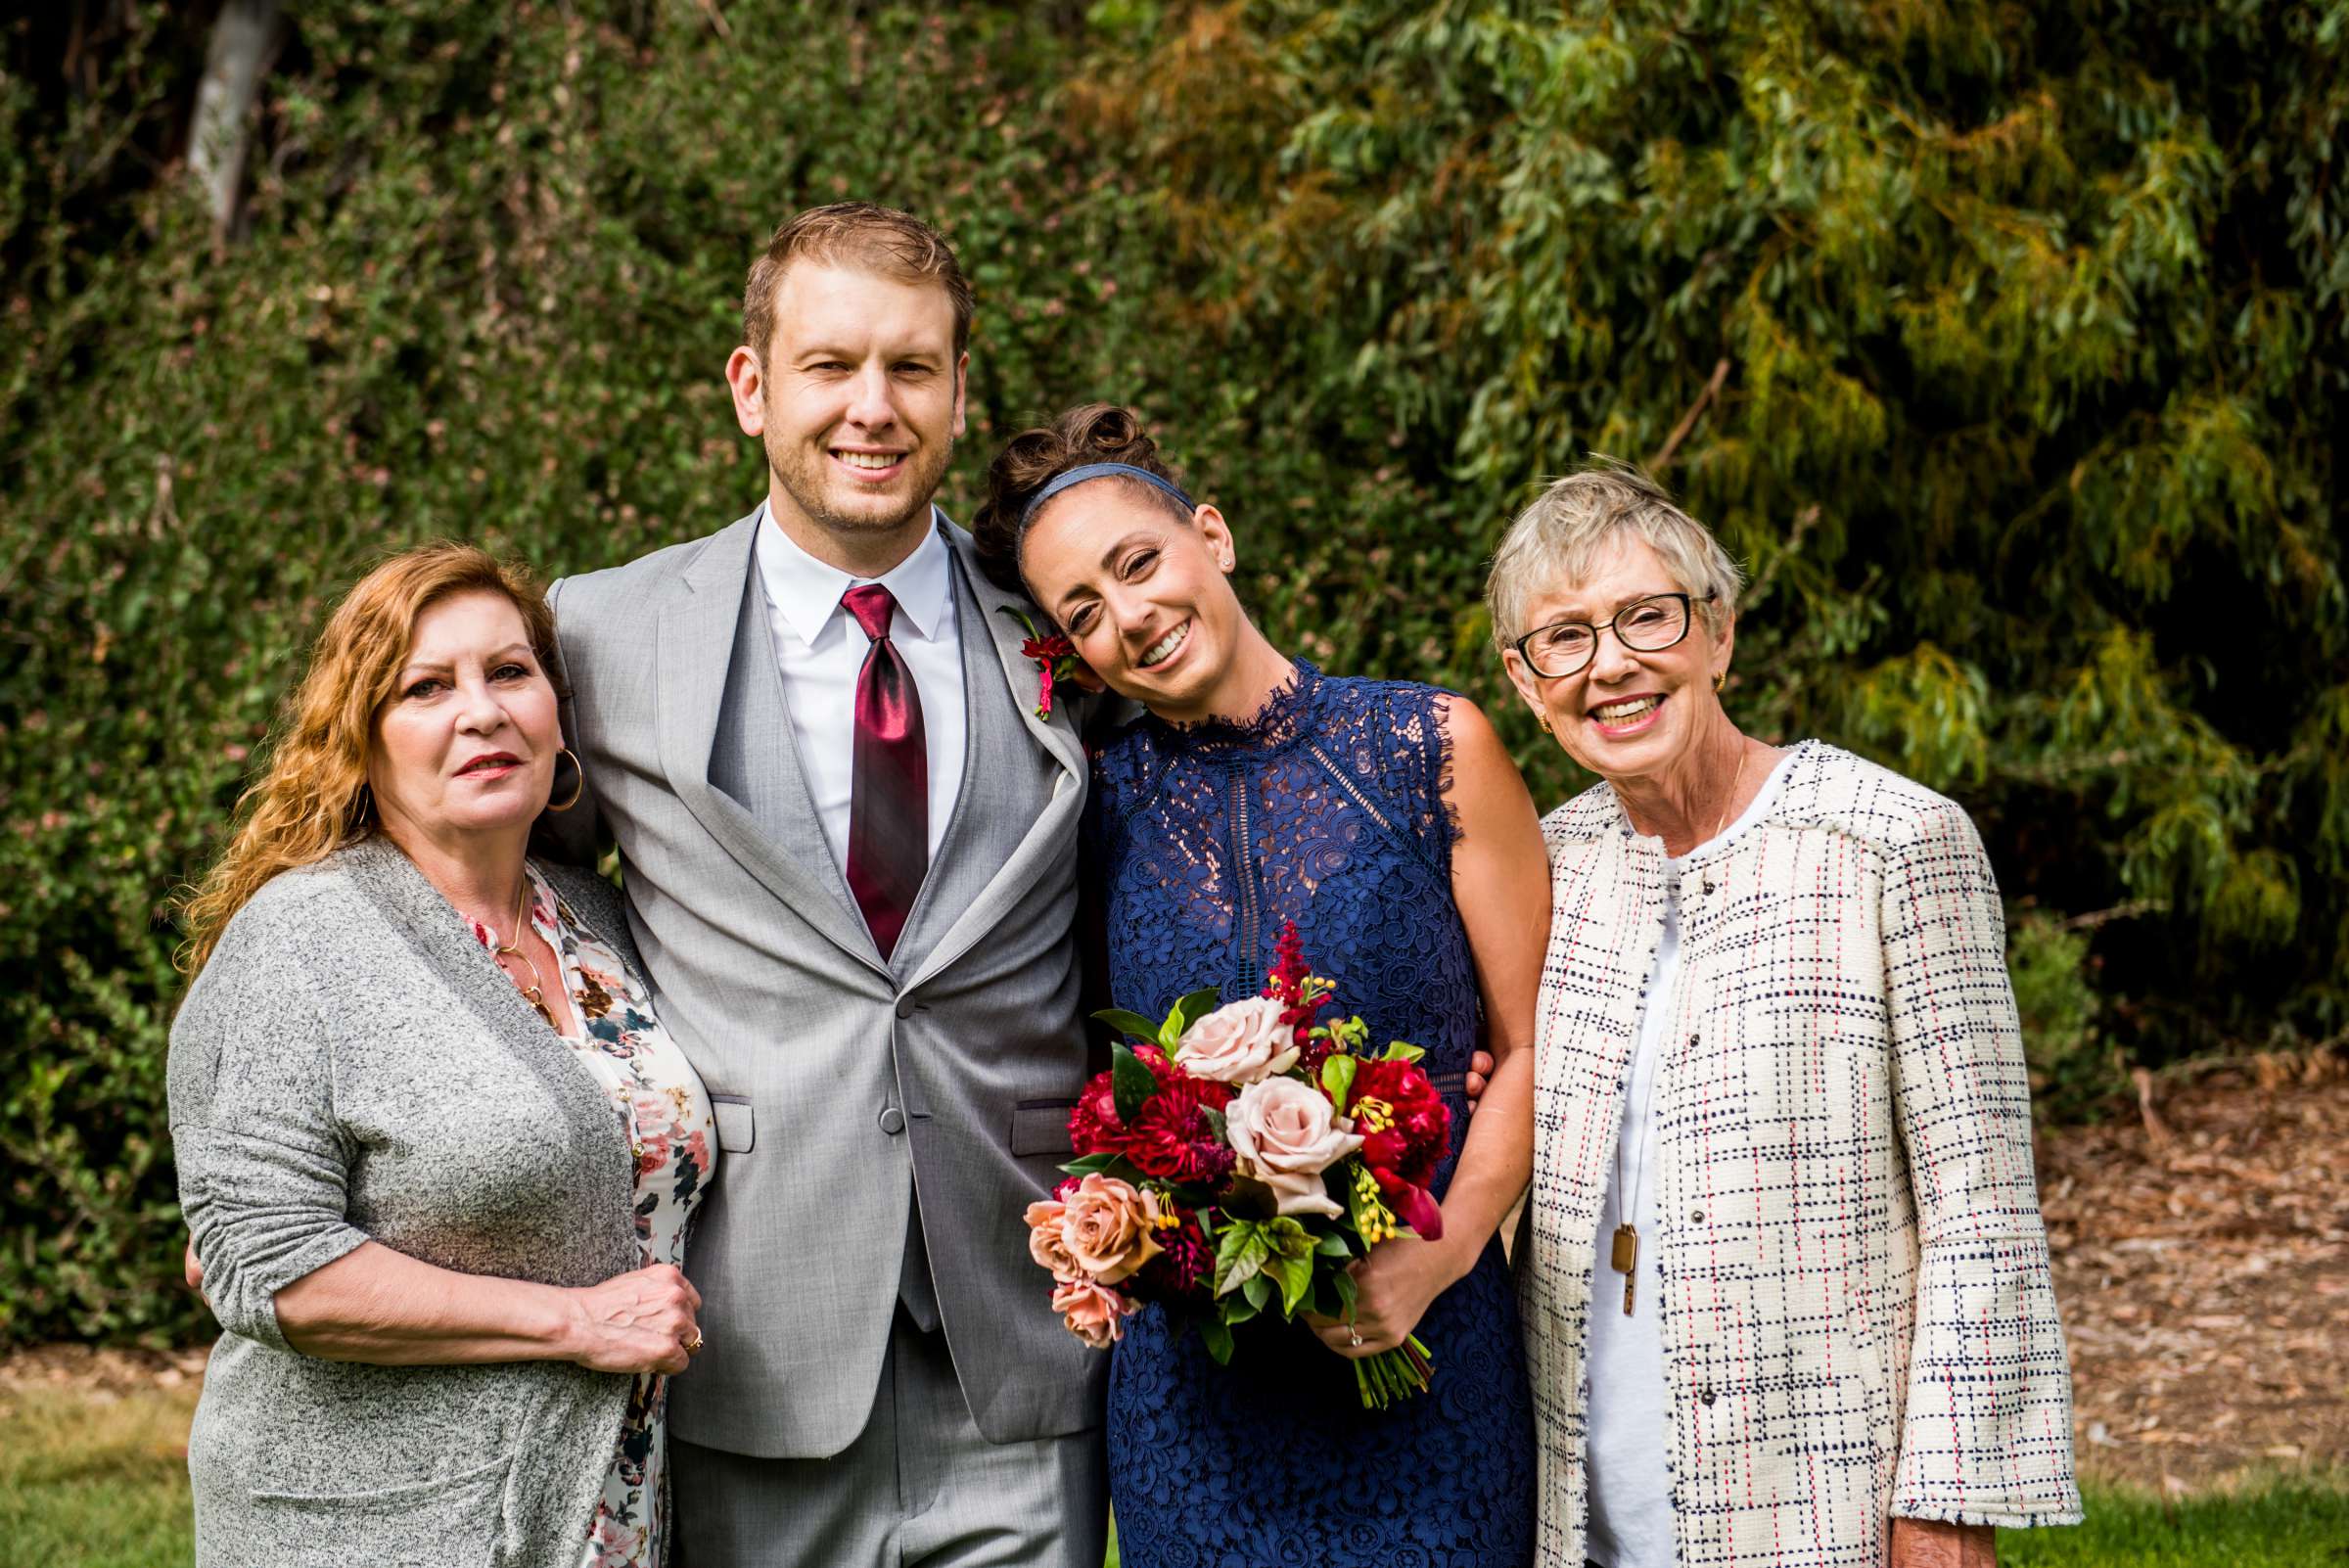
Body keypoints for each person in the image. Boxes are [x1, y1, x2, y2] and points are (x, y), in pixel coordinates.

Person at [535, 204, 1111, 1567]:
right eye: (831, 364)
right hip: (751, 1332)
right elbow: (513, 918)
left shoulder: (1068, 626)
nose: (873, 406)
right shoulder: (603, 633)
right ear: (753, 386)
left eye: (912, 367)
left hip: (1023, 1325)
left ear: (961, 392)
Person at [970, 402, 1544, 1567]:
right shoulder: (1089, 811)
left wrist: (1435, 1257)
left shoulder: (1431, 744)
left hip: (1430, 1349)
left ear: (1212, 537)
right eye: (1083, 612)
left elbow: (1536, 1047)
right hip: (1200, 1402)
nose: (1129, 616)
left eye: (1140, 564)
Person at [1487, 464, 2082, 1568]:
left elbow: (1982, 1209)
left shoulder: (1894, 840)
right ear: (1527, 684)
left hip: (1821, 1493)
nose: (1609, 664)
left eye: (1644, 618)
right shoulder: (1547, 867)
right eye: (1564, 639)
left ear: (1717, 634)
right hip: (1578, 1501)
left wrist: (1947, 1508)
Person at [169, 543, 714, 1568]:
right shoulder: (301, 940)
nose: (482, 711)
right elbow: (258, 1264)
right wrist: (573, 1325)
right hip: (381, 1523)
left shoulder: (601, 920)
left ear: (558, 710)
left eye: (510, 672)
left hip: (608, 1506)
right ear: (361, 740)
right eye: (427, 687)